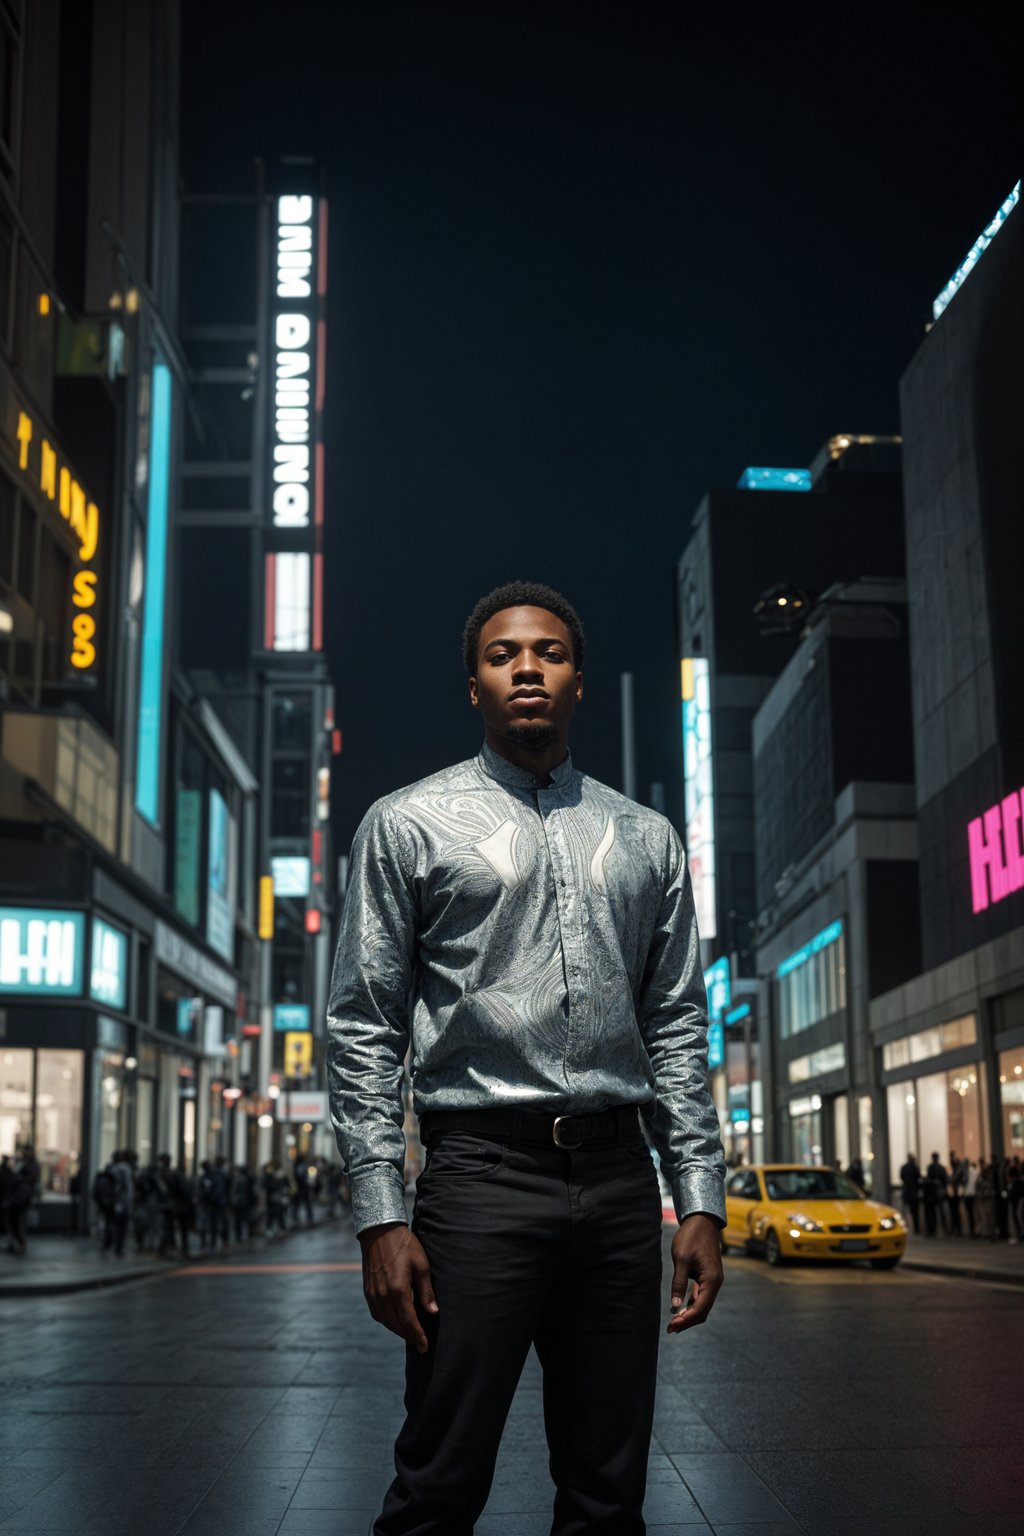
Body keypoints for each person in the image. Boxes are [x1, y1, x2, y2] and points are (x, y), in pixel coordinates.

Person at [327, 581, 726, 1536]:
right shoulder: (406, 824)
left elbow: (675, 1023)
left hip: (621, 1183)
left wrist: (701, 1196)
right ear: (474, 684)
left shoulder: (646, 838)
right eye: (504, 656)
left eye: (548, 652)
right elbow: (363, 1024)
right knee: (438, 1482)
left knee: (607, 1491)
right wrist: (381, 1216)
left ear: (578, 679)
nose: (528, 669)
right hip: (478, 1177)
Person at [6, 1145, 39, 1255]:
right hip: (17, 1197)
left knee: (19, 1221)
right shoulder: (23, 1163)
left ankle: (21, 1243)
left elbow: (31, 1179)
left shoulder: (30, 1165)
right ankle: (16, 1242)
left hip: (22, 1197)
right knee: (14, 1221)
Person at [899, 1152, 922, 1234]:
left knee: (905, 1212)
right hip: (913, 1193)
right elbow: (918, 1177)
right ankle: (916, 1229)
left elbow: (901, 1177)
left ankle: (905, 1228)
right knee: (915, 1213)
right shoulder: (914, 1167)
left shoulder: (904, 1167)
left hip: (907, 1192)